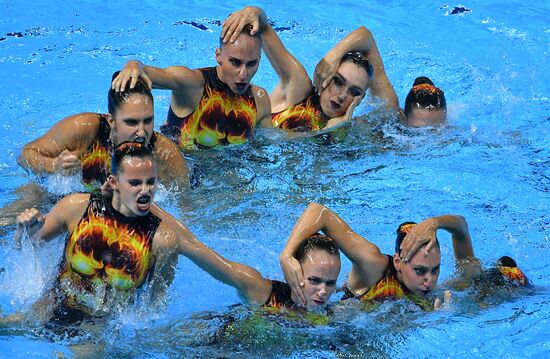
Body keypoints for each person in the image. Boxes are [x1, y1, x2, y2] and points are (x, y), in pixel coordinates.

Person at [12, 143, 195, 322]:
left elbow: (153, 309)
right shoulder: (76, 208)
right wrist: (25, 230)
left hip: (98, 330)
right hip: (48, 307)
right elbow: (23, 246)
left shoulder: (162, 240)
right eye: (135, 183)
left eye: (151, 182)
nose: (145, 190)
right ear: (114, 182)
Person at [280, 203, 518, 311]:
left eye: (435, 269)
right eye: (420, 271)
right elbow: (319, 212)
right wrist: (287, 255)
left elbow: (462, 229)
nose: (429, 280)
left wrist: (436, 222)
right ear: (398, 262)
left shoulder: (439, 295)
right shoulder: (375, 267)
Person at [221, 6, 399, 131]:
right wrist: (333, 55)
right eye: (338, 81)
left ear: (360, 99)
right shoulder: (299, 89)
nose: (342, 95)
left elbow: (391, 110)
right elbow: (263, 25)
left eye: (354, 91)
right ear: (328, 75)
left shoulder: (351, 128)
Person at [111, 23, 272, 149]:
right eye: (235, 62)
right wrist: (134, 64)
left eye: (251, 63)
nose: (243, 73)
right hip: (182, 179)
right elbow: (142, 72)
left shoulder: (259, 100)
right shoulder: (191, 84)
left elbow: (267, 144)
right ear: (218, 56)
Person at [18, 73, 189, 190]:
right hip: (55, 196)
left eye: (148, 121)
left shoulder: (165, 155)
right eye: (131, 122)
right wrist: (53, 165)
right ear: (111, 121)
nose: (142, 132)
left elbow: (186, 206)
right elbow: (26, 155)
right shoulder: (84, 130)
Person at [179, 233, 341, 312]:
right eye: (313, 280)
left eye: (330, 283)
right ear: (295, 270)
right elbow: (190, 245)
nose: (323, 292)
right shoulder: (262, 292)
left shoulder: (331, 313)